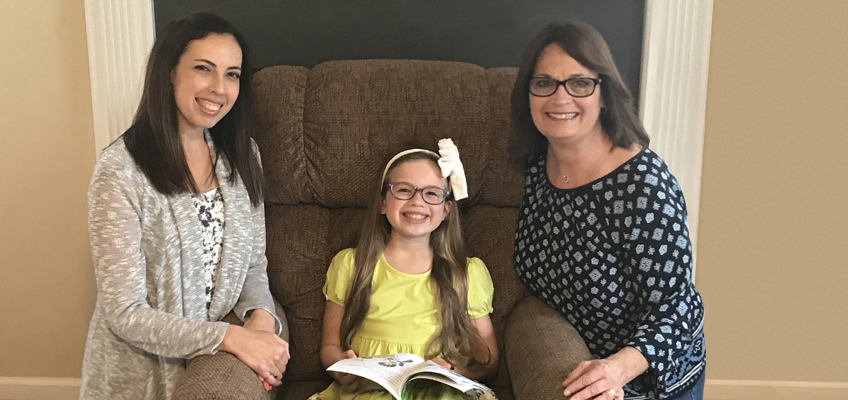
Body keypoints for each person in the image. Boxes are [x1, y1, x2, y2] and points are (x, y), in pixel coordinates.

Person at [80, 13, 289, 399]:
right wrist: (231, 338)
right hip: (140, 377)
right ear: (169, 73)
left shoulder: (243, 156)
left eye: (232, 74)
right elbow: (125, 312)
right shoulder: (120, 173)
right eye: (203, 68)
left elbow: (253, 266)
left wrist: (261, 320)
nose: (219, 88)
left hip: (208, 367)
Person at [510, 22, 706, 400]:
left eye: (580, 83)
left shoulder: (643, 186)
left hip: (651, 378)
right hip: (581, 349)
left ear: (603, 94)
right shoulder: (537, 163)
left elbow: (678, 309)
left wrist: (617, 368)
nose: (560, 97)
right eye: (544, 83)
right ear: (528, 94)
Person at [309, 140, 498, 400]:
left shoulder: (466, 273)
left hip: (440, 392)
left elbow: (488, 357)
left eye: (432, 193)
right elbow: (329, 346)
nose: (417, 201)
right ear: (383, 202)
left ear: (446, 209)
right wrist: (341, 365)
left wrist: (454, 369)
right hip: (369, 390)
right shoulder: (351, 265)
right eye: (404, 190)